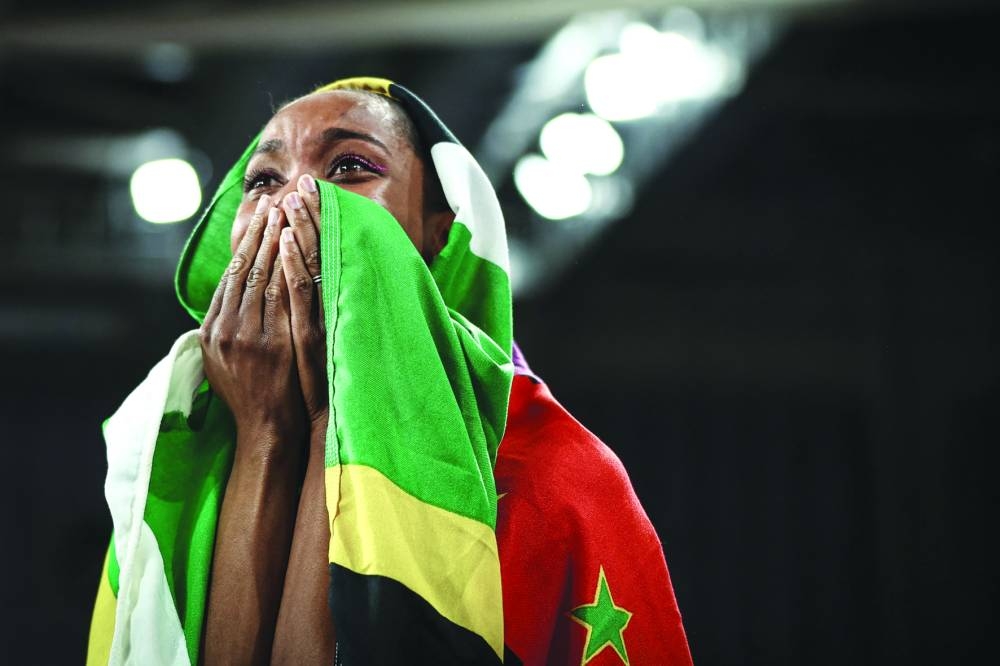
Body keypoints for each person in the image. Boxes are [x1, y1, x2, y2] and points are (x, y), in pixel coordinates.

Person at [87, 77, 692, 666]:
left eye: (349, 167)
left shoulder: (554, 471)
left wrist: (339, 411)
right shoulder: (163, 470)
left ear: (441, 234)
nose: (294, 200)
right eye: (263, 179)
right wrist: (262, 431)